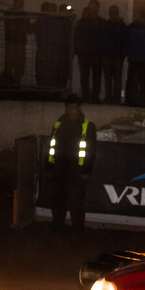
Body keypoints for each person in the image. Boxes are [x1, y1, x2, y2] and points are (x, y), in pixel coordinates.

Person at [45, 94, 97, 233]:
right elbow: (51, 147)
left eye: (73, 107)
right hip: (59, 169)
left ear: (79, 108)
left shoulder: (88, 126)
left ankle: (78, 229)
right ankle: (57, 226)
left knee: (76, 202)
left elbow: (91, 150)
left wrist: (86, 170)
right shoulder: (59, 124)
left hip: (76, 171)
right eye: (68, 107)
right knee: (58, 201)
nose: (70, 110)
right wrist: (49, 167)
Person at [125, 8, 145, 106]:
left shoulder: (133, 26)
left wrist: (128, 52)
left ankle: (130, 100)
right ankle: (144, 101)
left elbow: (126, 40)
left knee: (131, 80)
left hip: (133, 57)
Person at [74, 0, 104, 102]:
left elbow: (104, 38)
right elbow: (77, 36)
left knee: (96, 75)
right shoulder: (83, 22)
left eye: (94, 6)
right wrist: (78, 49)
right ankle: (86, 95)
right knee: (85, 75)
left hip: (96, 52)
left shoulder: (101, 22)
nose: (92, 9)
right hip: (85, 52)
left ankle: (94, 96)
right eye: (90, 6)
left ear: (97, 8)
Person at [1, 0, 34, 87]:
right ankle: (8, 84)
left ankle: (14, 84)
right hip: (13, 42)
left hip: (19, 42)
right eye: (19, 2)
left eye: (22, 2)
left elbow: (28, 29)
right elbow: (12, 27)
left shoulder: (22, 13)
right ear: (15, 2)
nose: (21, 4)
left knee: (19, 65)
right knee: (10, 64)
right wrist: (23, 28)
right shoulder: (10, 13)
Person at [34, 2, 66, 89]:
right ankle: (48, 90)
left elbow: (39, 36)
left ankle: (44, 89)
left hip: (47, 51)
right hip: (50, 51)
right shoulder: (56, 22)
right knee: (49, 72)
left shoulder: (43, 21)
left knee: (44, 72)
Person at [101, 5, 128, 104]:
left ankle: (117, 98)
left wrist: (122, 54)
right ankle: (108, 97)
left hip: (118, 57)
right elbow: (102, 40)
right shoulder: (105, 25)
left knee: (117, 78)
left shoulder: (122, 26)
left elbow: (125, 42)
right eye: (112, 12)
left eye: (115, 12)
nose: (113, 14)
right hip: (107, 55)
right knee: (108, 78)